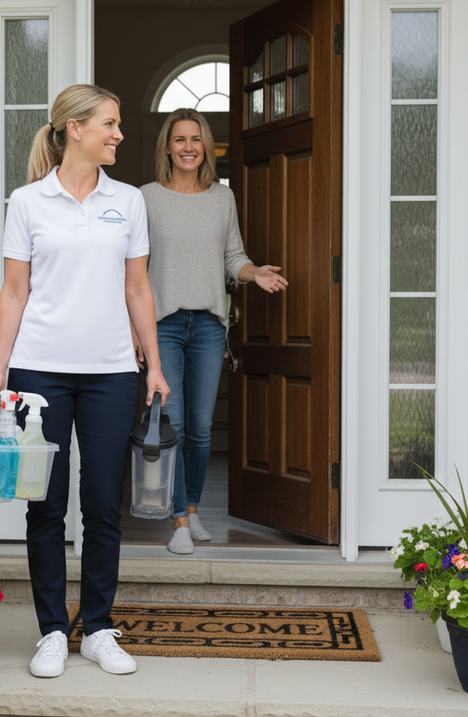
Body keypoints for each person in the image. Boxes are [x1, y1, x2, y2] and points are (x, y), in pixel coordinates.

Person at [0, 84, 170, 679]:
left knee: (103, 506)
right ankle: (52, 632)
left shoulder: (128, 202)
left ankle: (99, 628)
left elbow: (137, 288)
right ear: (74, 129)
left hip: (112, 370)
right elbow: (15, 292)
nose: (118, 135)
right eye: (109, 125)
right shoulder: (27, 201)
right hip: (40, 371)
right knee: (45, 505)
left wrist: (154, 365)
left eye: (117, 125)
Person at [136, 107, 288, 555]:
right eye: (179, 139)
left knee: (201, 428)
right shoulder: (144, 197)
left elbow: (232, 256)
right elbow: (133, 268)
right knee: (175, 424)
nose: (188, 147)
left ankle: (194, 510)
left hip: (207, 324)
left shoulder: (223, 197)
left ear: (207, 147)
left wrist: (253, 272)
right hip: (162, 323)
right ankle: (178, 520)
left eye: (196, 139)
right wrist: (133, 328)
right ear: (167, 145)